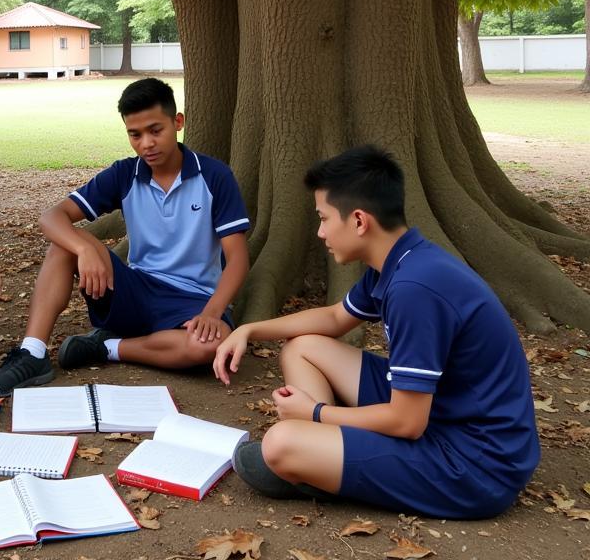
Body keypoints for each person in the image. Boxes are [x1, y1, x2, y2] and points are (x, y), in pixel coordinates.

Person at [214, 145, 540, 519]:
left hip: (473, 466)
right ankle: (330, 457)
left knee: (279, 443)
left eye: (323, 218)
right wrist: (250, 330)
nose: (320, 232)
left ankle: (326, 466)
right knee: (301, 349)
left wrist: (315, 412)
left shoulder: (415, 290)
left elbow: (408, 422)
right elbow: (336, 318)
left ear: (358, 221)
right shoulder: (402, 259)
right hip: (446, 411)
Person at [0, 77, 251, 394]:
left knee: (208, 346)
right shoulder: (125, 173)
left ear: (178, 123)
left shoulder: (214, 176)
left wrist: (213, 312)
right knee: (64, 245)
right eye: (134, 134)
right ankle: (33, 353)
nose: (146, 143)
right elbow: (52, 217)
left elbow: (238, 259)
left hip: (194, 299)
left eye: (155, 130)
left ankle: (107, 347)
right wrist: (84, 247)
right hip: (136, 289)